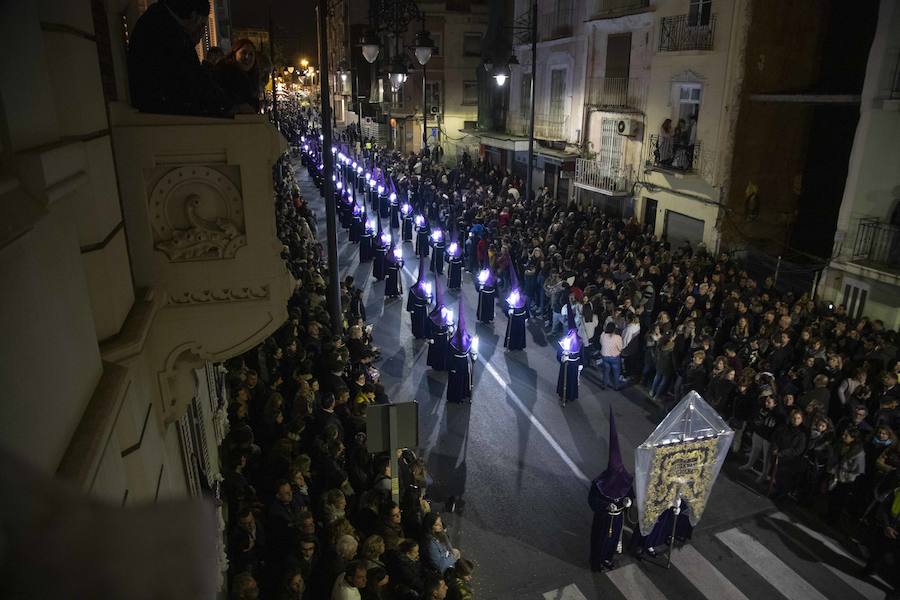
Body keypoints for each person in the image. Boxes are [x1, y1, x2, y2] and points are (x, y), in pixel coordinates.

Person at [127, 0, 231, 117]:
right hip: (161, 113)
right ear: (193, 16)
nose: (201, 32)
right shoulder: (169, 32)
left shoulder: (158, 19)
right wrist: (227, 105)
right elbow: (193, 77)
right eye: (201, 25)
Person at [589, 410, 633, 571]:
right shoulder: (599, 483)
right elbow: (592, 500)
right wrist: (605, 506)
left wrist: (628, 501)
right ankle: (596, 563)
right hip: (603, 519)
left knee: (613, 539)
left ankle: (607, 558)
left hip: (618, 518)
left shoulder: (625, 479)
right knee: (600, 541)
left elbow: (629, 494)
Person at [214, 38, 261, 112]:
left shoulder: (249, 78)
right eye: (244, 53)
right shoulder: (224, 73)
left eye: (251, 54)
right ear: (234, 54)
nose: (247, 57)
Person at [447, 297, 476, 404]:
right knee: (456, 381)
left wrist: (473, 355)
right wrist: (451, 367)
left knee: (464, 380)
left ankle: (463, 395)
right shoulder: (452, 342)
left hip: (464, 363)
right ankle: (455, 398)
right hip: (455, 364)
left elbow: (472, 350)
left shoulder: (468, 339)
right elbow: (449, 356)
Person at [557, 300, 584, 407]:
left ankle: (571, 395)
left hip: (573, 365)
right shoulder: (565, 340)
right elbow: (560, 351)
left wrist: (580, 364)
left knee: (571, 381)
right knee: (564, 380)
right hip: (566, 364)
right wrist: (562, 356)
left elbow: (581, 354)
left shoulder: (580, 341)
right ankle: (562, 394)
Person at [427, 278, 452, 371]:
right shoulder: (432, 316)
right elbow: (429, 328)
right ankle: (436, 365)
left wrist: (450, 329)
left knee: (444, 353)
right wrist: (430, 337)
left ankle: (443, 365)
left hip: (444, 338)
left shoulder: (447, 313)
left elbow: (450, 324)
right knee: (436, 353)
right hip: (436, 338)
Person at [503, 263, 528, 351]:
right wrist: (508, 311)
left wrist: (526, 316)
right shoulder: (511, 294)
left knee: (520, 332)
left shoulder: (523, 295)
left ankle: (520, 345)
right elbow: (506, 305)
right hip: (513, 316)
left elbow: (526, 306)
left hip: (521, 316)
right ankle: (511, 345)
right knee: (512, 332)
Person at [407, 256, 431, 340]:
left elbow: (430, 299)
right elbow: (411, 301)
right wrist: (411, 309)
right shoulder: (414, 290)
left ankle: (423, 334)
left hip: (422, 309)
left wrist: (429, 299)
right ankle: (418, 334)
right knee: (418, 323)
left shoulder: (426, 289)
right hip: (417, 309)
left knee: (423, 322)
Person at [599, 322, 624, 391]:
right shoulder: (617, 337)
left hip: (604, 356)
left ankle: (604, 385)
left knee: (606, 371)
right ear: (614, 329)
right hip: (614, 357)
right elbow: (620, 348)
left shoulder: (603, 335)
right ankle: (616, 386)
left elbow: (601, 343)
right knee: (616, 372)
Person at [372, 217, 390, 282]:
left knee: (381, 265)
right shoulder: (378, 237)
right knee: (380, 265)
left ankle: (381, 276)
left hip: (380, 253)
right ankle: (381, 276)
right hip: (380, 254)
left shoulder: (379, 237)